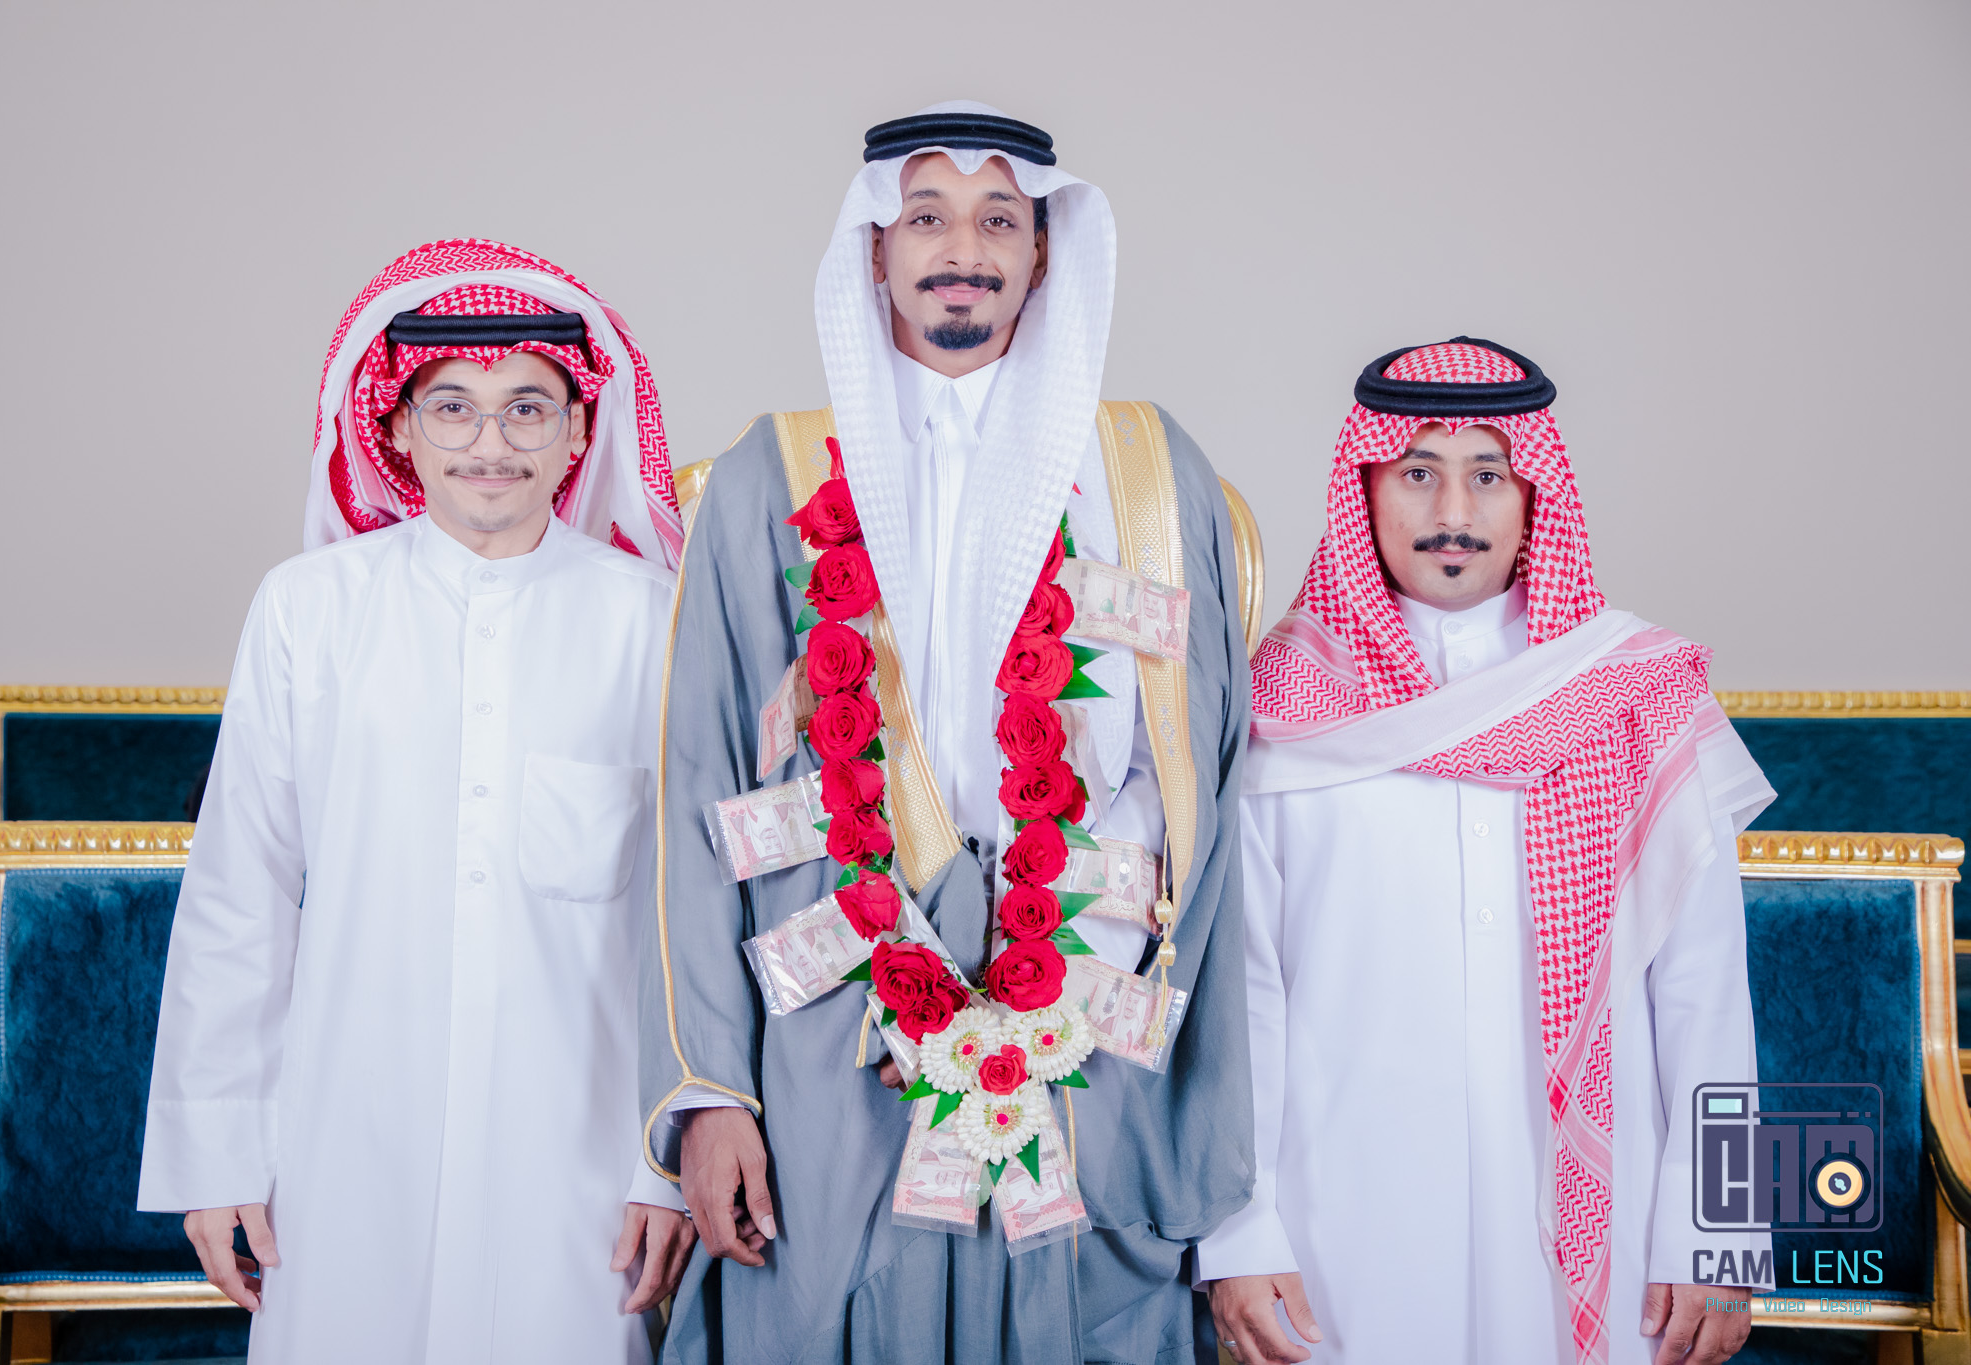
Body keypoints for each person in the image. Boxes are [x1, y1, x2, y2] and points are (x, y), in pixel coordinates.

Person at [642, 104, 1256, 1364]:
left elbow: (1196, 787)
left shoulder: (1146, 473)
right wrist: (711, 1092)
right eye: (924, 217)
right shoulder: (767, 477)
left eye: (996, 220)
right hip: (825, 1035)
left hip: (1077, 1022)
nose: (960, 249)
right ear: (874, 250)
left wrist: (1059, 993)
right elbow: (700, 791)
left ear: (1043, 251)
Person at [138, 239, 698, 1364]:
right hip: (344, 1139)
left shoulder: (654, 620)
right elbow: (241, 894)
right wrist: (219, 1154)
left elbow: (683, 924)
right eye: (453, 409)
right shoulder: (307, 610)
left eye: (527, 409)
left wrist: (664, 1166)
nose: (490, 444)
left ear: (579, 431)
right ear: (396, 429)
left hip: (579, 1153)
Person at [1199, 339, 1765, 1364]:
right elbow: (1243, 1004)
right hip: (1342, 1227)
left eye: (1488, 475)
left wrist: (1720, 1233)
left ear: (1535, 494)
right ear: (1365, 489)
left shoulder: (1632, 697)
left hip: (1604, 1222)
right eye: (1417, 471)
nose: (1452, 510)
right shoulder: (1276, 704)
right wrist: (1238, 1234)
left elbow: (1706, 995)